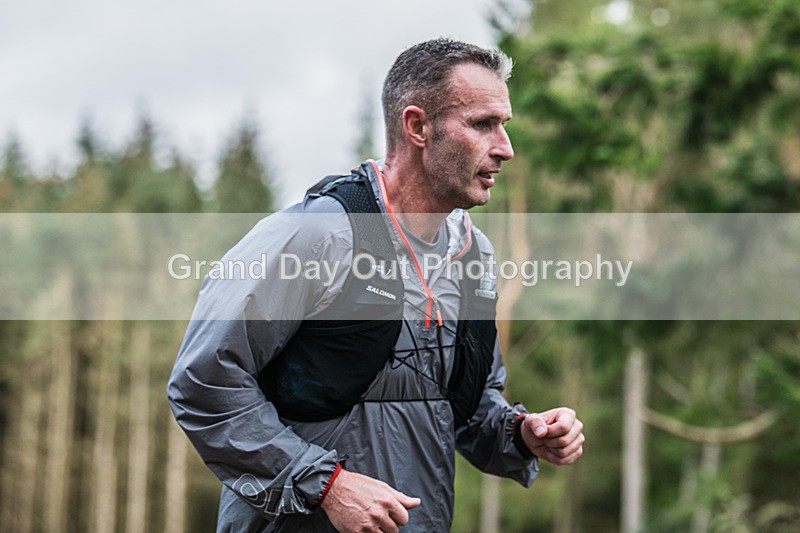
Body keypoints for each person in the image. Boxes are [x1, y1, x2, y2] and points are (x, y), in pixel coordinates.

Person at [168, 38, 584, 533]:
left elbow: (467, 409)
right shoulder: (317, 236)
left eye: (504, 126)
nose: (505, 149)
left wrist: (521, 433)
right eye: (481, 124)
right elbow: (203, 381)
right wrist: (328, 485)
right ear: (417, 127)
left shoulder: (474, 256)